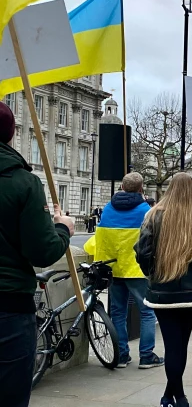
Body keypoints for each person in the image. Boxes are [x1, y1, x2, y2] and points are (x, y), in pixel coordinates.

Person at [0, 101, 74, 407]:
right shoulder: (23, 183)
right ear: (12, 134)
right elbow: (43, 251)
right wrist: (64, 229)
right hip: (7, 306)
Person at [135, 173, 192, 407]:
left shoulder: (153, 215)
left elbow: (142, 253)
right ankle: (174, 396)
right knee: (180, 345)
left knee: (173, 344)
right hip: (191, 292)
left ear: (170, 189)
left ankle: (174, 397)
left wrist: (152, 272)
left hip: (162, 291)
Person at [91, 172, 163, 370]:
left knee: (117, 313)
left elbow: (100, 240)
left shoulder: (107, 209)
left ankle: (121, 356)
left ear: (121, 187)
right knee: (147, 313)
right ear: (141, 189)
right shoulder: (146, 211)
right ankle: (147, 356)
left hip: (114, 268)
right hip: (137, 270)